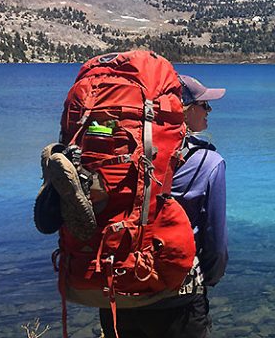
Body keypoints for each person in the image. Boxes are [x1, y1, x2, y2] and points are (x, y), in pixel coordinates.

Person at [98, 74, 229, 338]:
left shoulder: (120, 157)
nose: (209, 111)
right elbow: (215, 242)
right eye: (204, 105)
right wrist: (209, 278)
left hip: (120, 291)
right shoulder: (208, 162)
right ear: (185, 109)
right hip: (178, 296)